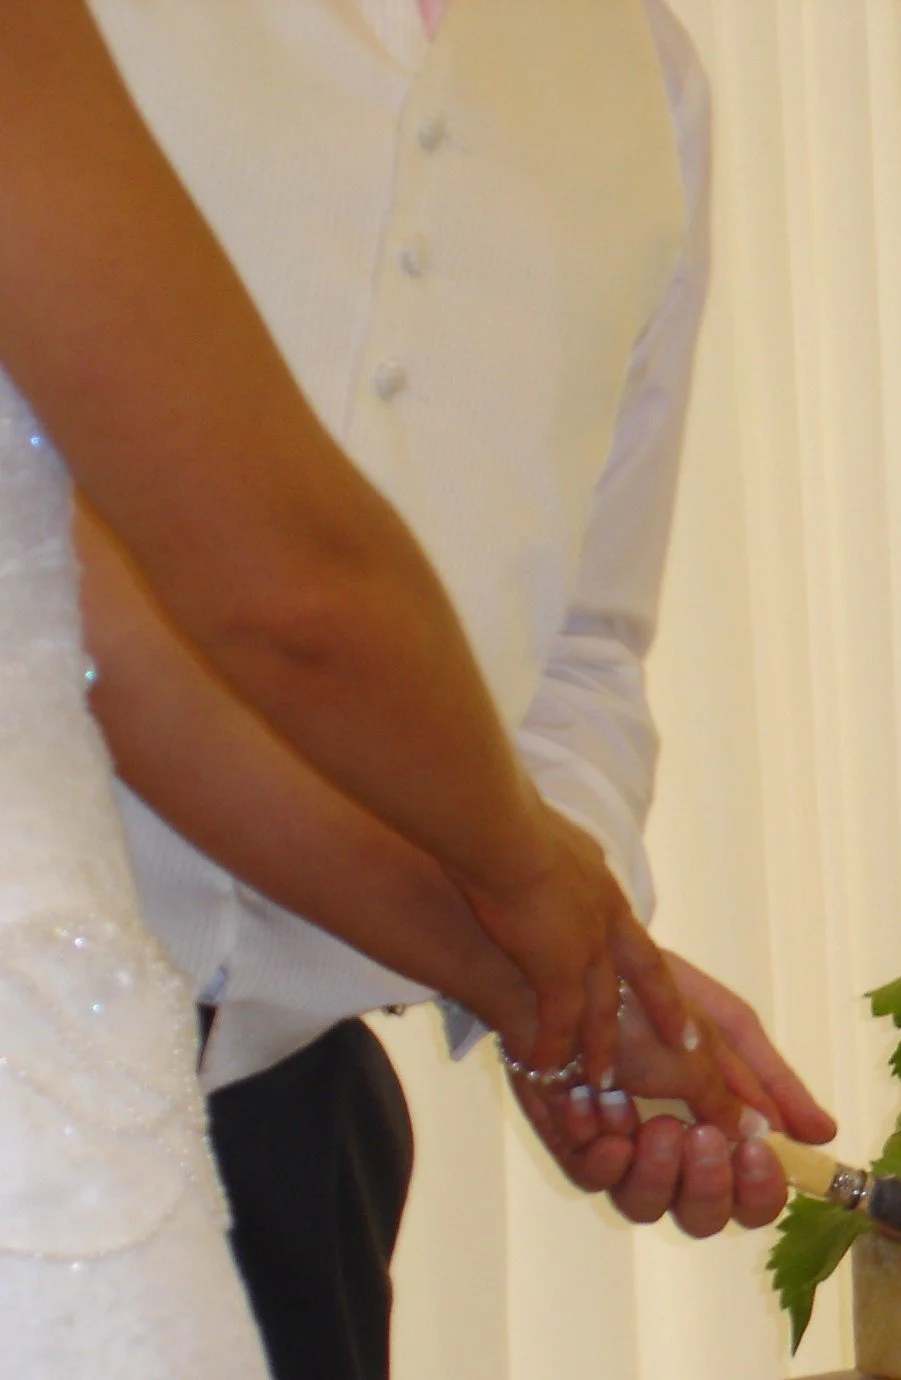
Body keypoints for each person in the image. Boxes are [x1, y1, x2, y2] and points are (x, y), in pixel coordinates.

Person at [0, 0, 813, 1374]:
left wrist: (564, 985)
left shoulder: (646, 75)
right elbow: (240, 607)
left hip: (297, 1116)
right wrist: (534, 932)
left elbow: (583, 644)